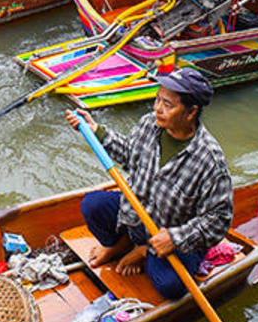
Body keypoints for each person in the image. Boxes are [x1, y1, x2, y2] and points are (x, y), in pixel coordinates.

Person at [65, 67, 232, 300]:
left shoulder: (209, 160)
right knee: (93, 205)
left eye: (168, 104)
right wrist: (96, 131)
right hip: (136, 220)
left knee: (171, 286)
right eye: (157, 99)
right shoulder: (149, 124)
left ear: (191, 112)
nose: (157, 108)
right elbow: (128, 154)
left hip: (169, 235)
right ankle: (124, 243)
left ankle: (144, 251)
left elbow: (218, 220)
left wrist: (174, 238)